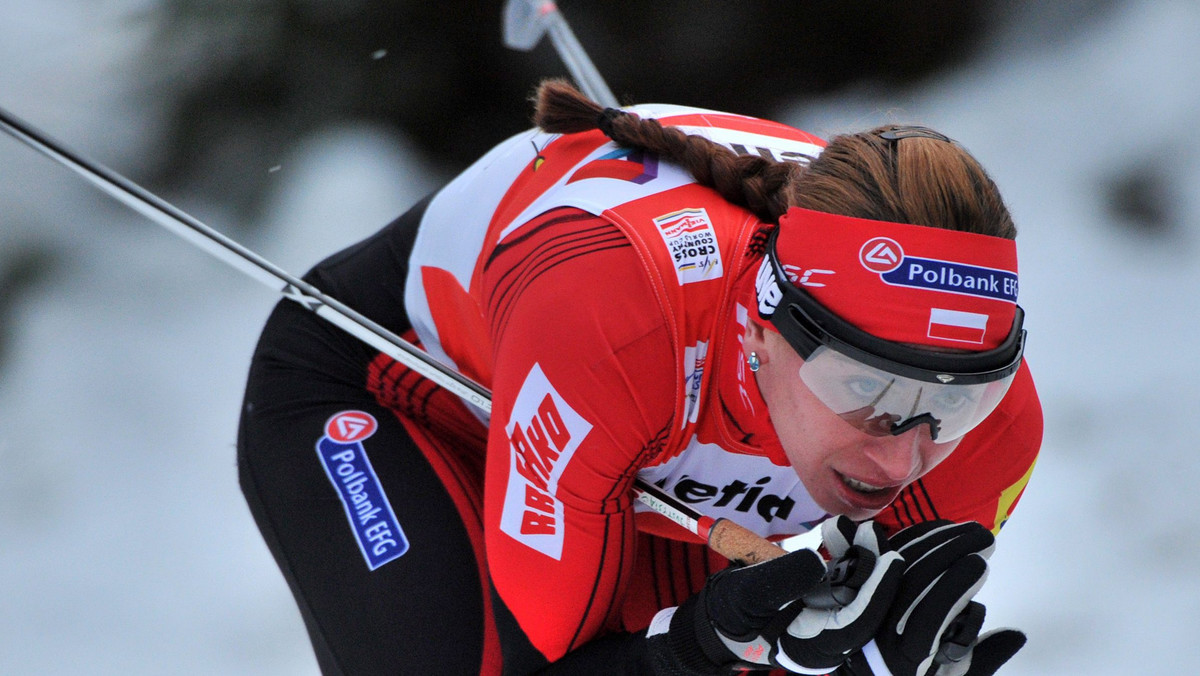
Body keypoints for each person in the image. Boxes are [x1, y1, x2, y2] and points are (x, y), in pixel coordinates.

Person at [236, 79, 1042, 676]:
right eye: (866, 391)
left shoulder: (990, 435)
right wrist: (706, 642)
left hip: (636, 445)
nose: (902, 460)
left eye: (958, 401)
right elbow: (551, 661)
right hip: (394, 386)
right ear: (764, 328)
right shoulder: (622, 317)